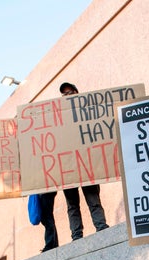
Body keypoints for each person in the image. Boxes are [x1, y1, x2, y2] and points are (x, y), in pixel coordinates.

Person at [59, 82, 109, 240]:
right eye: (64, 95)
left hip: (86, 165)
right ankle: (76, 235)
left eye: (69, 93)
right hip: (68, 168)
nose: (67, 97)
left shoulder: (87, 113)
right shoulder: (59, 118)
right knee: (72, 205)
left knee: (93, 199)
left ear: (76, 92)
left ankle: (101, 227)